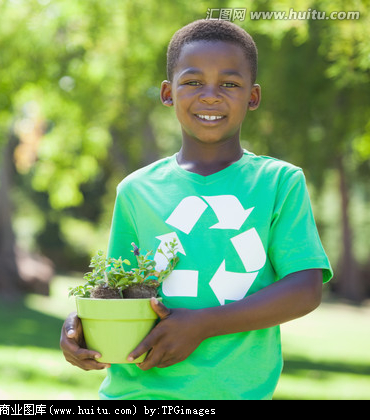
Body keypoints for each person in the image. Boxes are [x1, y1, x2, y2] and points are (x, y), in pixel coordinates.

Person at [60, 19, 333, 400]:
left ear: (253, 97)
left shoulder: (278, 183)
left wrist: (201, 325)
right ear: (168, 93)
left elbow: (305, 289)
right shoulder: (136, 191)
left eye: (230, 84)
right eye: (192, 82)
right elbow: (115, 293)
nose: (210, 95)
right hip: (136, 394)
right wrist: (80, 327)